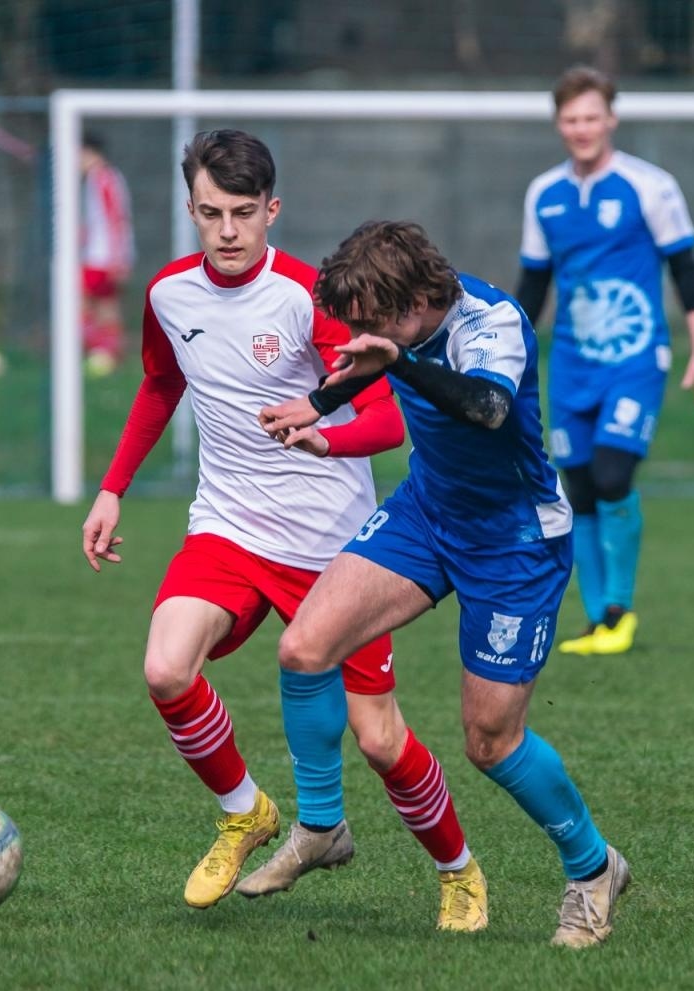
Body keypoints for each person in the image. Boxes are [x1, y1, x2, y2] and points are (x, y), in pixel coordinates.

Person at [82, 132, 482, 930]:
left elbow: (387, 418)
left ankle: (458, 869)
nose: (227, 231)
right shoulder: (168, 294)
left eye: (242, 212)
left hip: (335, 545)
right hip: (228, 526)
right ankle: (245, 812)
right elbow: (160, 384)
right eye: (210, 214)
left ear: (272, 209)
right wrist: (111, 488)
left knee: (379, 738)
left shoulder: (309, 298)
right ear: (190, 210)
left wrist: (321, 434)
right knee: (165, 667)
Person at [259, 220, 629, 947]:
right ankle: (322, 826)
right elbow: (382, 358)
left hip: (515, 542)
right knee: (304, 648)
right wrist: (321, 404)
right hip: (426, 513)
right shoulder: (399, 328)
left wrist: (396, 359)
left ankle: (593, 868)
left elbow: (487, 407)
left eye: (371, 324)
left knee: (490, 742)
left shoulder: (491, 322)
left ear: (419, 300)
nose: (358, 337)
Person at [516, 65, 694, 656]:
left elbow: (685, 269)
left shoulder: (650, 186)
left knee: (612, 476)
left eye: (591, 117)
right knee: (578, 488)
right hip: (572, 362)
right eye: (571, 119)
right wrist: (505, 351)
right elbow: (533, 286)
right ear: (559, 124)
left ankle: (619, 609)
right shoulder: (544, 194)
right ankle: (596, 622)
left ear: (610, 119)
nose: (582, 128)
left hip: (636, 359)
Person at [80, 133, 136, 378]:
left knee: (81, 303)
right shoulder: (98, 178)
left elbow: (115, 218)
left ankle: (101, 350)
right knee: (105, 307)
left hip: (102, 257)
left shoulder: (102, 178)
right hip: (100, 254)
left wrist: (117, 259)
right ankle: (108, 354)